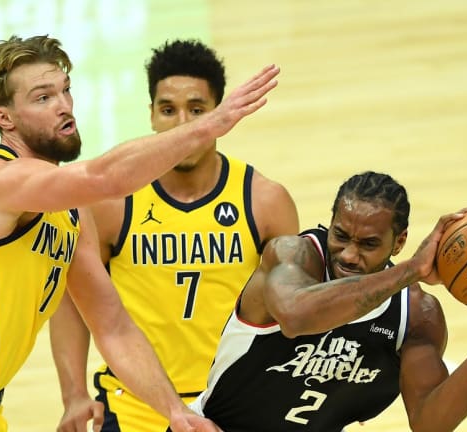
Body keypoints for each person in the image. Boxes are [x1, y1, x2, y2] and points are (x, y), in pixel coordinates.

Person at [0, 34, 281, 432]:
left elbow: (113, 327)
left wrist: (176, 412)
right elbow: (106, 178)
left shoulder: (70, 209)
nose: (64, 106)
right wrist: (207, 125)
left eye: (65, 91)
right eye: (43, 98)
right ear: (4, 118)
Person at [49, 39, 300, 432]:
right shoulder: (113, 204)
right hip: (133, 405)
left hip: (233, 403)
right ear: (151, 114)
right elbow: (71, 300)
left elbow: (294, 312)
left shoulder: (265, 202)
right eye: (168, 109)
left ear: (220, 114)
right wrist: (74, 394)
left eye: (197, 110)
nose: (184, 124)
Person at [187, 171, 467, 431]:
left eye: (368, 244)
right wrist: (410, 270)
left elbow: (430, 422)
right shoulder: (293, 255)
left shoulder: (415, 314)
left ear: (399, 242)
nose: (348, 254)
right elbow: (297, 316)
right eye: (340, 235)